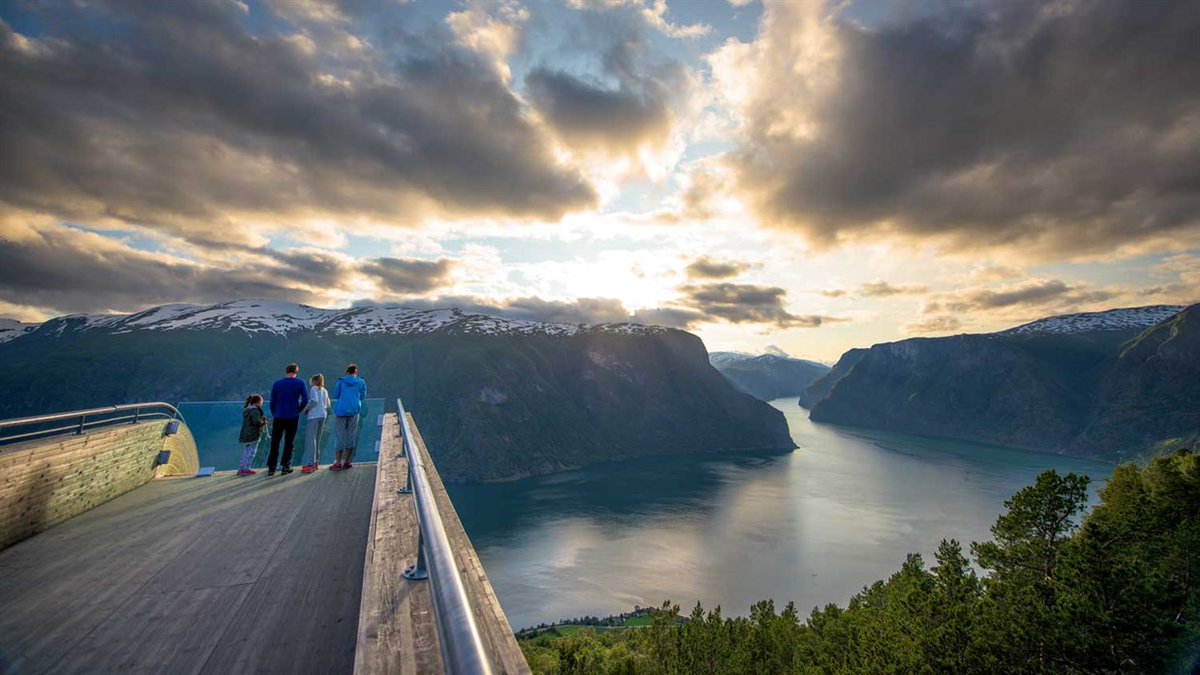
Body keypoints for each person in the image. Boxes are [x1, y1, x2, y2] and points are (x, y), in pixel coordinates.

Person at [268, 363, 308, 476]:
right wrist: (298, 410)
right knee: (289, 442)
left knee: (275, 442)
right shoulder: (300, 383)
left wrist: (275, 413)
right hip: (292, 416)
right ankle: (285, 466)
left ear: (286, 371)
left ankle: (272, 467)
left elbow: (272, 402)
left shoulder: (277, 384)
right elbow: (305, 400)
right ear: (296, 372)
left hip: (278, 416)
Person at [330, 364, 366, 471]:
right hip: (354, 410)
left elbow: (335, 395)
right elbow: (363, 396)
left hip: (341, 410)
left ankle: (337, 462)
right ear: (356, 372)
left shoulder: (341, 381)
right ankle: (347, 461)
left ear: (347, 372)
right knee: (351, 435)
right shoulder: (361, 382)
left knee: (340, 435)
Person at [301, 373, 330, 474]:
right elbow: (328, 404)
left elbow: (314, 401)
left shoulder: (314, 389)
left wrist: (306, 409)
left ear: (314, 381)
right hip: (323, 415)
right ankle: (316, 462)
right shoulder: (324, 390)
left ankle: (310, 463)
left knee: (310, 439)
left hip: (314, 416)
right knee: (317, 439)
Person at [237, 394, 267, 476]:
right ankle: (246, 469)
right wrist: (263, 422)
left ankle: (241, 468)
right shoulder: (255, 411)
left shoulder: (248, 410)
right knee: (251, 452)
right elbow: (256, 422)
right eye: (261, 402)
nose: (262, 404)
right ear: (258, 402)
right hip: (253, 435)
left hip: (246, 434)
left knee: (246, 451)